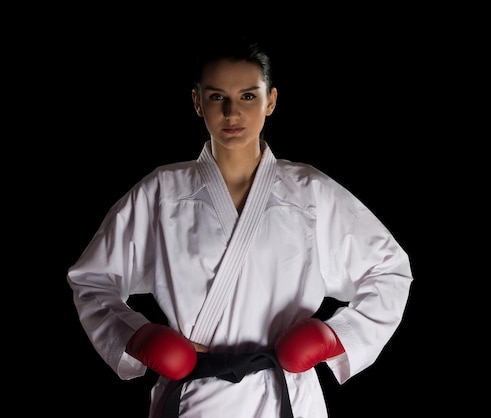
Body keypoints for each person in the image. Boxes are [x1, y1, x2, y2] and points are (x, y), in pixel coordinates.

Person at [67, 34, 414, 418]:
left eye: (248, 96)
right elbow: (92, 279)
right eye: (217, 97)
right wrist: (138, 335)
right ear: (197, 102)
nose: (232, 112)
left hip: (286, 394)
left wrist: (332, 337)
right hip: (193, 396)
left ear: (271, 101)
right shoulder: (161, 192)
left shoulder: (311, 192)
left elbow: (390, 270)